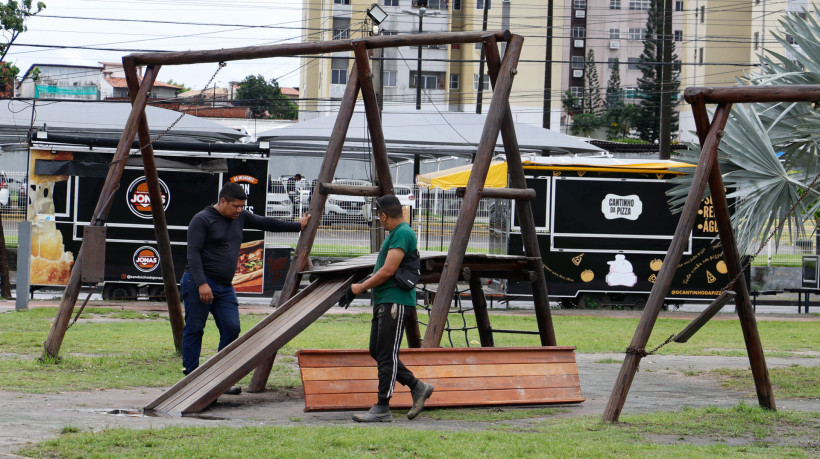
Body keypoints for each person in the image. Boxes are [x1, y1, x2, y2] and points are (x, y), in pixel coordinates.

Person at [181, 182, 310, 391]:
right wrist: (202, 283)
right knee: (195, 328)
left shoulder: (240, 217)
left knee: (232, 328)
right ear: (222, 201)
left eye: (242, 206)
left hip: (224, 286)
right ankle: (190, 378)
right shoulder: (202, 219)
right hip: (199, 282)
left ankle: (219, 378)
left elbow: (266, 222)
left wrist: (298, 225)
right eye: (235, 206)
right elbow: (193, 253)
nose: (240, 210)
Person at [348, 195, 433, 422]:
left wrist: (361, 287)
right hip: (386, 300)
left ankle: (382, 407)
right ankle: (417, 387)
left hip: (395, 301)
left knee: (386, 355)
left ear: (383, 215)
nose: (379, 220)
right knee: (377, 351)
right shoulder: (398, 234)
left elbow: (387, 270)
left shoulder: (402, 233)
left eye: (379, 216)